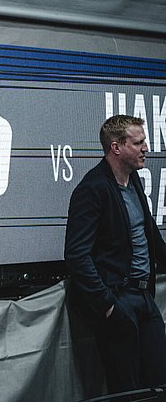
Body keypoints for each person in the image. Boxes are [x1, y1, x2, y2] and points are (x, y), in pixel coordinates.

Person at [65, 114, 166, 396]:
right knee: (127, 390)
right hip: (118, 300)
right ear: (116, 147)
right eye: (138, 142)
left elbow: (150, 235)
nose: (146, 148)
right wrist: (107, 304)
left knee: (159, 381)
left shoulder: (134, 183)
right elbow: (77, 255)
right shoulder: (92, 189)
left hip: (144, 297)